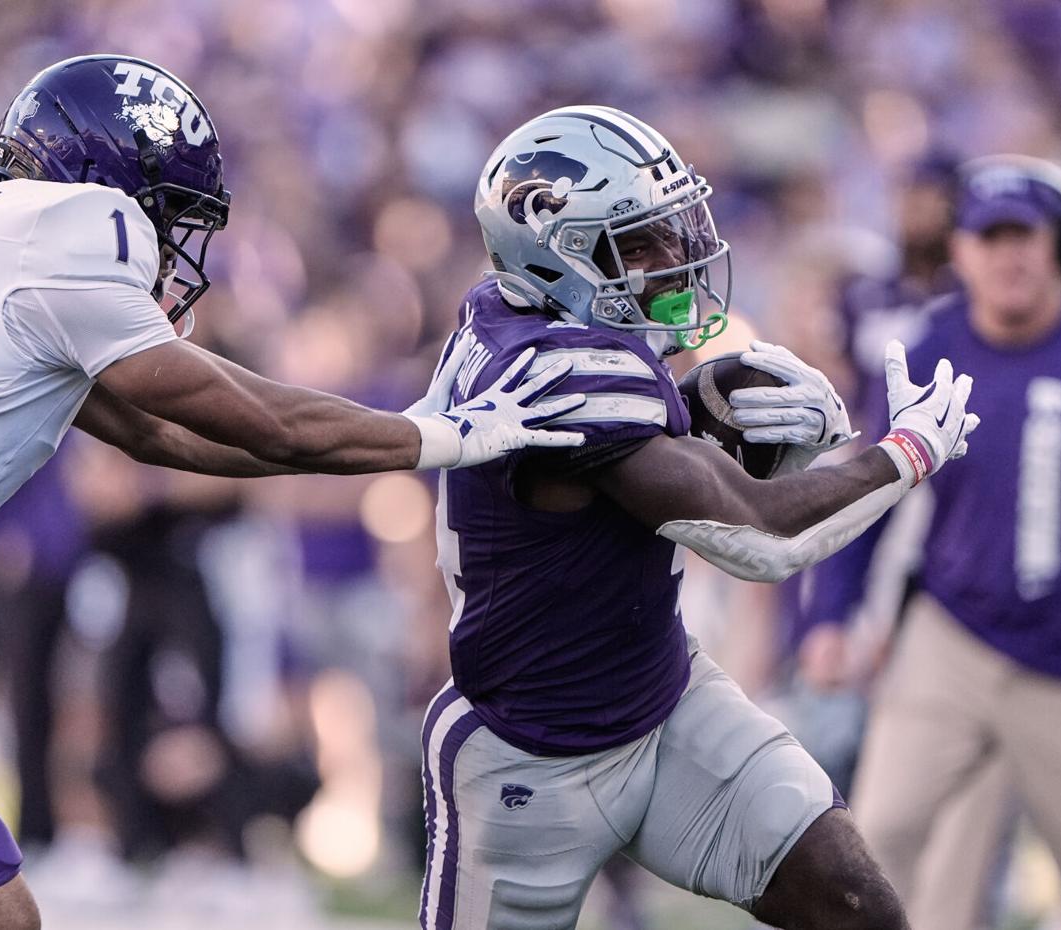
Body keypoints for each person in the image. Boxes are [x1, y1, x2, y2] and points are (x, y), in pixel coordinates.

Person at [0, 55, 588, 930]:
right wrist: (438, 434)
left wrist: (372, 449)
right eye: (171, 215)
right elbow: (247, 415)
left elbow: (168, 436)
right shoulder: (78, 222)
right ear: (114, 181)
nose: (171, 245)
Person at [417, 106, 982, 930]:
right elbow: (758, 536)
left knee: (861, 910)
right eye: (637, 245)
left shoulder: (538, 314)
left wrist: (698, 414)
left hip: (670, 704)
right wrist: (903, 454)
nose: (674, 260)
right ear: (556, 255)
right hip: (528, 760)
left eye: (670, 231)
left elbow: (628, 467)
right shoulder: (562, 369)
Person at [806, 154, 1061, 930]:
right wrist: (829, 615)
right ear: (958, 251)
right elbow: (865, 488)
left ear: (1059, 245)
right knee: (875, 849)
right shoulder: (925, 347)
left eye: (1024, 236)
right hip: (952, 639)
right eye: (987, 237)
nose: (1008, 256)